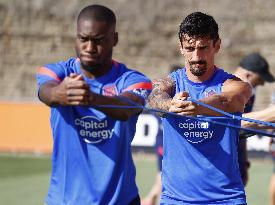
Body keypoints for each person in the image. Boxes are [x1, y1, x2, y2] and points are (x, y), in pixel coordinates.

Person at [36, 4, 152, 205]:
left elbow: (127, 108)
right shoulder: (57, 72)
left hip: (121, 200)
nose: (89, 48)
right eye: (83, 39)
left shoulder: (133, 80)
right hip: (63, 201)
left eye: (98, 41)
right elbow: (45, 92)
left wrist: (91, 97)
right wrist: (59, 92)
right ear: (76, 37)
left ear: (114, 39)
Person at [148, 12, 252, 205]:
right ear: (181, 47)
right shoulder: (170, 84)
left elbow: (228, 100)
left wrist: (198, 106)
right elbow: (154, 96)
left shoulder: (235, 85)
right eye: (189, 48)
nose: (196, 56)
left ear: (217, 45)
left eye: (203, 48)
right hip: (176, 200)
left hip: (225, 199)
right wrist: (170, 105)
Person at [234, 52, 275, 186]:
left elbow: (242, 134)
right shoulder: (222, 91)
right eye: (258, 82)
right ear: (248, 75)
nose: (260, 86)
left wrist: (244, 162)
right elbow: (238, 124)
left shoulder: (249, 95)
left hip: (237, 158)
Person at [141, 65, 180, 205]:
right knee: (163, 172)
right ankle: (153, 197)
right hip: (163, 141)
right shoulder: (162, 96)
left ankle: (152, 197)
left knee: (164, 173)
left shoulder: (175, 99)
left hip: (167, 141)